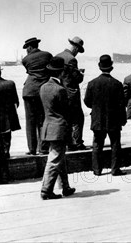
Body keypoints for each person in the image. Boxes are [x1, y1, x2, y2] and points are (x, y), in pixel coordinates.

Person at [84, 55, 126, 176]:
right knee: (115, 144)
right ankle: (115, 169)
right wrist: (123, 119)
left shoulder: (92, 83)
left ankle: (97, 170)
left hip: (98, 119)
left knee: (97, 144)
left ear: (99, 66)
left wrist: (97, 108)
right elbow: (121, 104)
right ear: (111, 67)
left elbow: (87, 101)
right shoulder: (117, 84)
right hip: (114, 119)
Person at [40, 56, 76, 200]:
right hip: (59, 128)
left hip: (48, 127)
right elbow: (66, 111)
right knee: (55, 159)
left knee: (59, 157)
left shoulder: (43, 87)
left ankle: (65, 187)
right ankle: (46, 190)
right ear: (61, 72)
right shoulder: (60, 89)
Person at [21, 37, 52, 155]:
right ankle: (43, 148)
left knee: (30, 122)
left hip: (29, 91)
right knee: (43, 120)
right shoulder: (48, 55)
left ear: (29, 47)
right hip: (43, 91)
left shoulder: (25, 60)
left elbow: (30, 72)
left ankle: (32, 149)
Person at [56, 37, 87, 151]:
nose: (77, 53)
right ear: (75, 48)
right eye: (78, 50)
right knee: (78, 118)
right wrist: (81, 74)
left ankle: (66, 142)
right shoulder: (72, 59)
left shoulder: (58, 56)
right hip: (71, 93)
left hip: (59, 91)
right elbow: (76, 79)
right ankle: (77, 142)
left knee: (65, 118)